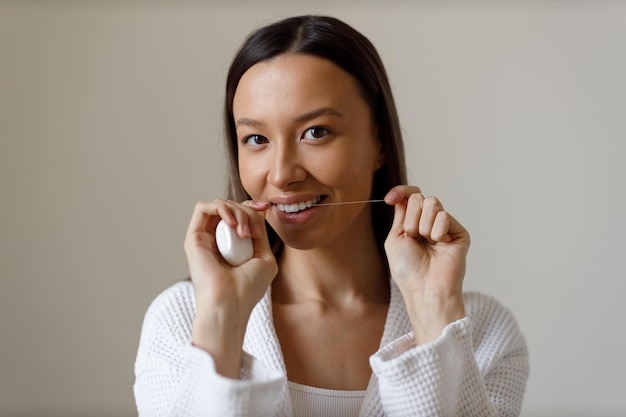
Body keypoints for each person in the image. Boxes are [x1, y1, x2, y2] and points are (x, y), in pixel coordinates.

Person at [134, 15, 529, 417]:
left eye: (316, 132)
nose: (282, 173)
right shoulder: (182, 320)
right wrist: (221, 320)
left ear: (379, 143)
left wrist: (434, 318)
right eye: (256, 139)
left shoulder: (483, 331)